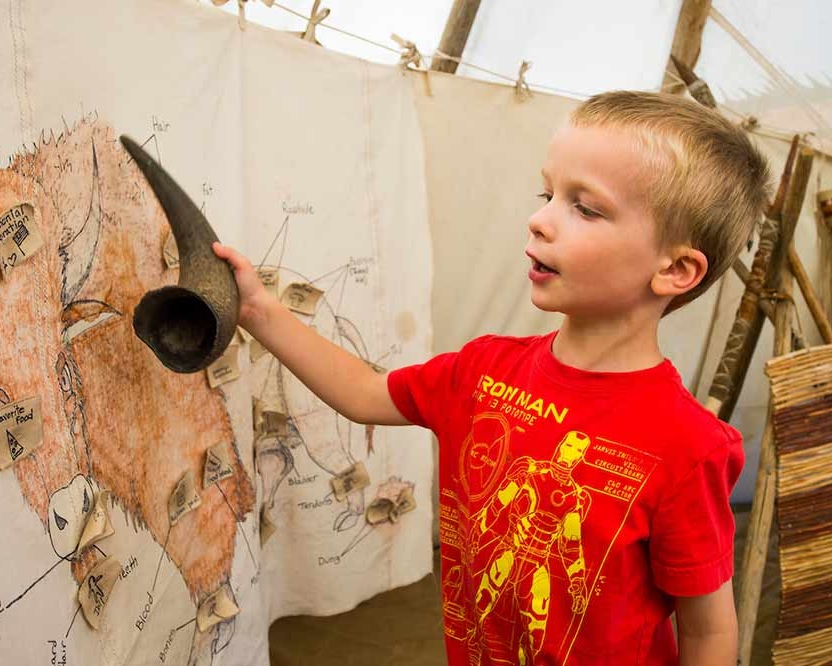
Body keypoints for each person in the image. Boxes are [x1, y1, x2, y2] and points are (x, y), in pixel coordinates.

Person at [213, 90, 770, 665]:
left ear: (675, 269)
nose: (539, 218)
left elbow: (707, 631)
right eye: (547, 192)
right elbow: (363, 393)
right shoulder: (482, 371)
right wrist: (260, 313)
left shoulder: (688, 447)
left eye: (586, 207)